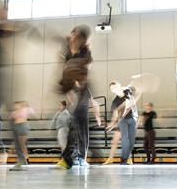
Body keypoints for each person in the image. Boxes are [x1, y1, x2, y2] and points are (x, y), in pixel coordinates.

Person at [57, 25, 101, 169]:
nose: (73, 38)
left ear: (81, 39)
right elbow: (64, 70)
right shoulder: (67, 52)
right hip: (73, 91)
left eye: (76, 35)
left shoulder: (85, 53)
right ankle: (69, 158)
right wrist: (68, 90)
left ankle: (81, 157)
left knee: (81, 124)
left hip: (83, 90)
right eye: (72, 34)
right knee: (72, 124)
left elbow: (85, 69)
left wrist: (77, 84)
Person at [109, 81, 138, 165]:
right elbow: (115, 114)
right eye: (111, 88)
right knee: (121, 140)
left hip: (131, 118)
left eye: (114, 87)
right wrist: (112, 123)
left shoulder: (127, 91)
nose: (113, 89)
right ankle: (117, 159)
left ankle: (128, 158)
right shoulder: (115, 101)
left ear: (119, 86)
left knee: (129, 140)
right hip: (122, 121)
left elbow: (133, 90)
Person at [10, 101, 35, 171]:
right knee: (19, 145)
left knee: (21, 145)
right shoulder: (14, 112)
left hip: (22, 126)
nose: (15, 106)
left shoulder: (25, 109)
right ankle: (23, 159)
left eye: (17, 105)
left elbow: (31, 112)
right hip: (17, 127)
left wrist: (25, 106)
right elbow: (11, 118)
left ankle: (24, 159)